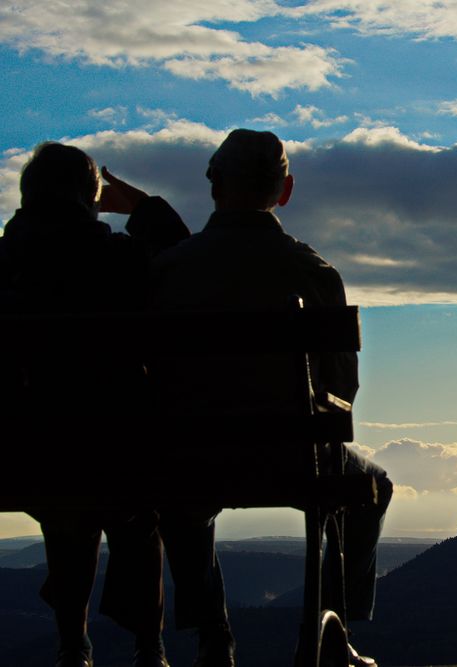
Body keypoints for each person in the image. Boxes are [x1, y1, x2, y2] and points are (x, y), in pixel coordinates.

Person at [150, 129, 392, 667]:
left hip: (190, 459)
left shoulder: (166, 272)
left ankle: (213, 634)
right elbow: (342, 393)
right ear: (285, 191)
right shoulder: (313, 272)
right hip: (295, 461)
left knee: (176, 488)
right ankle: (329, 633)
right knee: (374, 485)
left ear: (214, 185)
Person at [0, 142, 190, 667]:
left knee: (65, 503)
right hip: (123, 451)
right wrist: (142, 207)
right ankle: (149, 647)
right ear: (90, 198)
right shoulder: (122, 260)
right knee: (128, 507)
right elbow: (183, 259)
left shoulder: (4, 264)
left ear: (25, 197)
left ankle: (72, 647)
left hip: (26, 454)